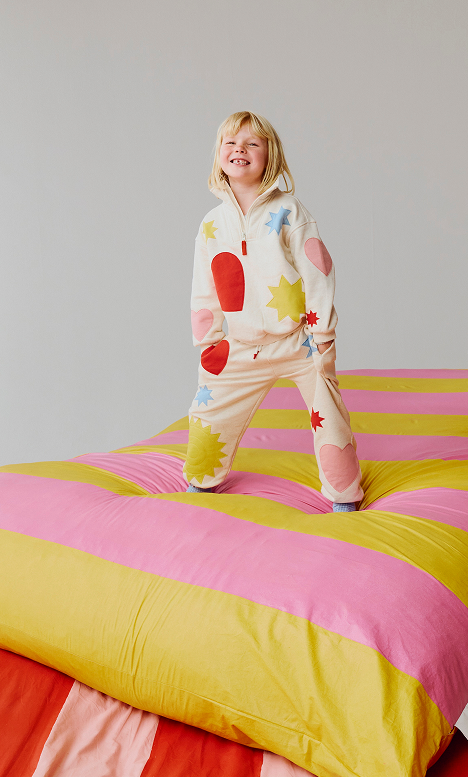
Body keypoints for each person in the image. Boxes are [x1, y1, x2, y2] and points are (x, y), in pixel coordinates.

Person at [184, 111, 362, 512]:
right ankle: (200, 485)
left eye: (252, 144)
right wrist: (208, 343)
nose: (240, 150)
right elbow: (204, 288)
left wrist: (323, 337)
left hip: (300, 342)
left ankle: (344, 497)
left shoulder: (289, 211)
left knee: (329, 415)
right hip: (240, 348)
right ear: (218, 155)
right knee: (207, 413)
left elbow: (317, 273)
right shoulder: (211, 225)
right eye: (231, 143)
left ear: (270, 156)